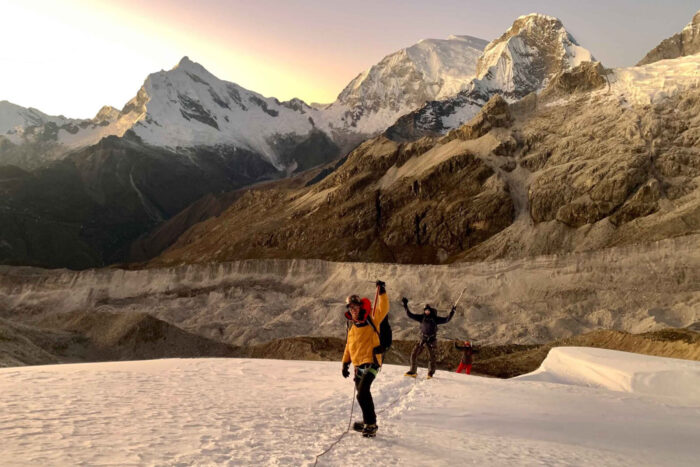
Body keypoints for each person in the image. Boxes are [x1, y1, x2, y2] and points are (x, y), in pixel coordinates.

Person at [341, 280, 389, 438]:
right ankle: (368, 421)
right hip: (358, 365)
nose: (353, 310)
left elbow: (384, 308)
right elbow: (349, 345)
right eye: (351, 308)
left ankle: (371, 425)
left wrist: (381, 292)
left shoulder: (372, 320)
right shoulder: (352, 326)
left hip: (372, 361)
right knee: (361, 394)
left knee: (362, 393)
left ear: (360, 306)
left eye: (355, 307)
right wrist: (345, 363)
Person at [402, 297, 455, 379]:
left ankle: (430, 373)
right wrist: (405, 305)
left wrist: (452, 312)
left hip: (431, 340)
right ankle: (412, 372)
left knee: (432, 357)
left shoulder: (435, 319)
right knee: (414, 354)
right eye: (425, 310)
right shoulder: (421, 317)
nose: (426, 311)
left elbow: (447, 319)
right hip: (422, 339)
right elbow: (409, 314)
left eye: (428, 310)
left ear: (430, 311)